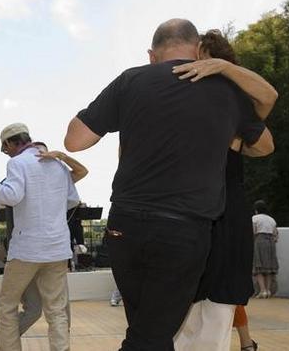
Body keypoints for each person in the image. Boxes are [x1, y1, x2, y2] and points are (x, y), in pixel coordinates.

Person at [64, 18, 270, 350]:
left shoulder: (131, 80)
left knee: (149, 328)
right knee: (151, 335)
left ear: (152, 54)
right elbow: (264, 144)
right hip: (183, 230)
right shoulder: (225, 89)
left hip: (124, 226)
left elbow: (74, 140)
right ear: (199, 49)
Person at [172, 29, 275, 351]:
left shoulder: (229, 98)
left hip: (220, 206)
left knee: (216, 303)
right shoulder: (185, 95)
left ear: (203, 53)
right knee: (190, 301)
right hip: (194, 207)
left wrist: (223, 68)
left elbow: (270, 98)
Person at [0, 123, 80, 351]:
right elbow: (71, 200)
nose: (6, 153)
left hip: (27, 250)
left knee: (7, 306)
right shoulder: (59, 165)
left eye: (5, 148)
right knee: (56, 310)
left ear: (11, 143)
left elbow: (12, 195)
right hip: (58, 249)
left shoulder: (17, 163)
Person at [252, 200, 279, 298]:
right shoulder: (271, 219)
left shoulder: (254, 218)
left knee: (258, 266)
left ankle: (262, 290)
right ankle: (268, 290)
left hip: (259, 241)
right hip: (271, 242)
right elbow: (276, 234)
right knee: (269, 267)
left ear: (256, 210)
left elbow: (253, 232)